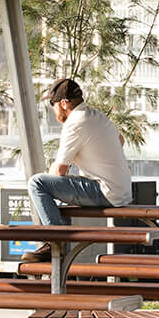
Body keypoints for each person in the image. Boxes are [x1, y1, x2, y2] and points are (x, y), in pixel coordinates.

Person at [22, 77, 132, 261]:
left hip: (105, 191)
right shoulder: (97, 116)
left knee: (36, 183)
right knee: (60, 199)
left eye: (53, 104)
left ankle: (55, 243)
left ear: (64, 103)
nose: (53, 110)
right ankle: (62, 246)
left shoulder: (74, 123)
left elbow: (59, 172)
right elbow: (120, 140)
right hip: (122, 190)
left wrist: (55, 177)